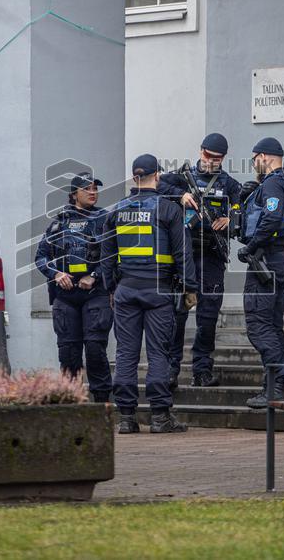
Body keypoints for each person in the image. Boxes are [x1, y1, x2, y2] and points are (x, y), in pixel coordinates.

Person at [100, 154, 198, 433]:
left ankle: (127, 418)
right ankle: (160, 417)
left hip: (125, 290)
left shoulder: (115, 211)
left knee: (126, 354)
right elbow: (183, 253)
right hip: (159, 292)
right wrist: (190, 287)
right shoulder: (168, 210)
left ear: (134, 178)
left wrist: (111, 288)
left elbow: (106, 256)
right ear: (158, 177)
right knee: (158, 353)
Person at [158, 133, 242, 389]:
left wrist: (231, 221)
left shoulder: (230, 185)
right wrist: (180, 195)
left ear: (223, 159)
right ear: (200, 151)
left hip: (211, 256)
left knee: (208, 317)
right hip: (183, 256)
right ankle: (170, 370)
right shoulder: (181, 177)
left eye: (217, 159)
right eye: (208, 156)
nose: (211, 162)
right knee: (177, 314)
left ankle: (202, 370)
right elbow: (157, 185)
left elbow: (241, 214)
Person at [236, 137, 284, 409]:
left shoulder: (274, 183)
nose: (255, 164)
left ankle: (276, 387)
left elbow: (272, 217)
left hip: (267, 260)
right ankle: (273, 385)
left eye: (255, 159)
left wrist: (252, 246)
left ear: (264, 156)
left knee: (259, 325)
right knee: (272, 326)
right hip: (280, 257)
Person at [34, 172, 113, 403]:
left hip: (95, 294)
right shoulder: (59, 222)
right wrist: (56, 274)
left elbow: (114, 256)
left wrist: (95, 276)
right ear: (74, 194)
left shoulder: (105, 219)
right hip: (66, 297)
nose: (93, 192)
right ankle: (71, 402)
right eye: (87, 189)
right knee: (68, 354)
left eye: (95, 188)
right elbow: (41, 257)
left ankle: (102, 404)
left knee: (95, 349)